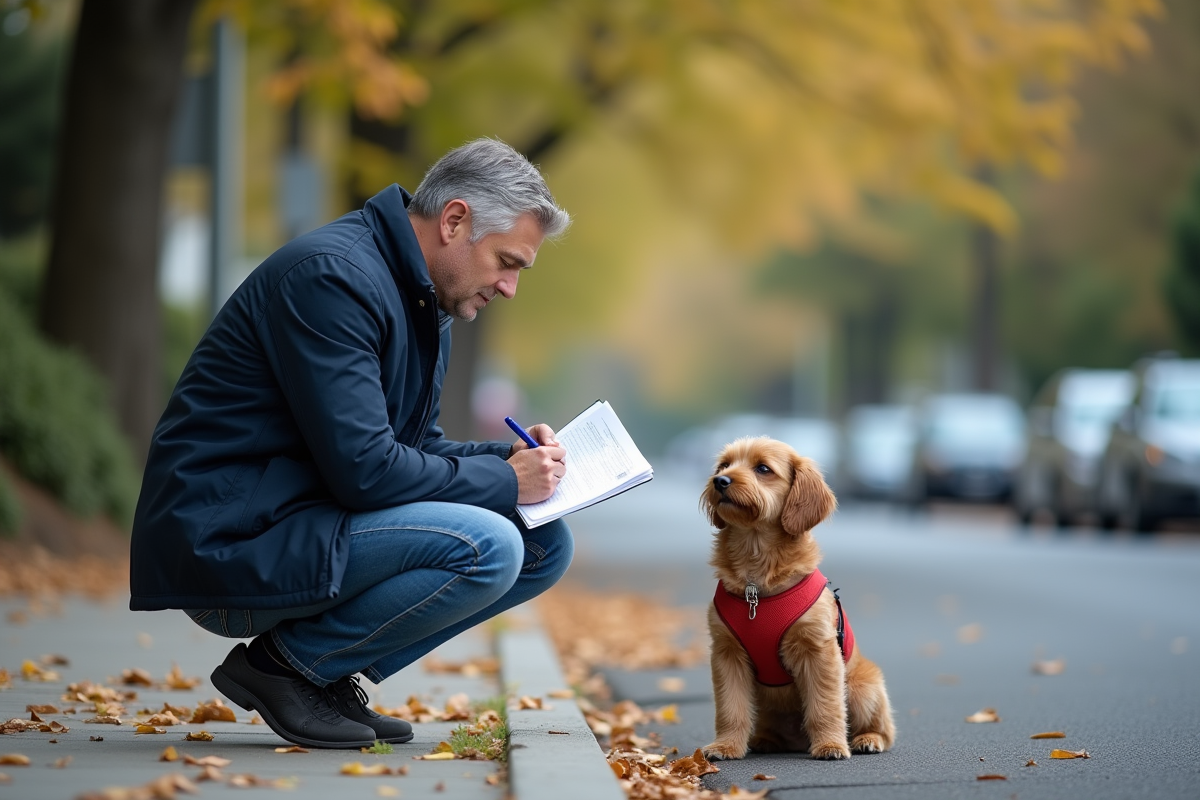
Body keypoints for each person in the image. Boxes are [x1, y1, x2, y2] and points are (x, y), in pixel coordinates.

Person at [129, 139, 573, 749]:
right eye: (507, 261)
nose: (509, 286)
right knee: (492, 545)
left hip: (303, 519)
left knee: (544, 542)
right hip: (231, 542)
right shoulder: (333, 278)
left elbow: (413, 447)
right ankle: (284, 668)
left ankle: (324, 673)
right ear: (454, 221)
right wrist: (506, 481)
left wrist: (513, 462)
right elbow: (367, 472)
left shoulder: (419, 298)